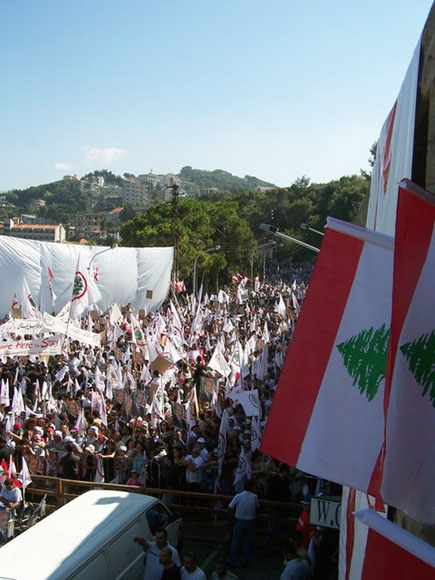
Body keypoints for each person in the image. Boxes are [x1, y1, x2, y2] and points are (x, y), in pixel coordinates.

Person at [228, 478, 259, 568]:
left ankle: (232, 561)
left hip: (239, 520)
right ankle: (244, 561)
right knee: (247, 542)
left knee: (235, 541)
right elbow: (257, 506)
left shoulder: (238, 496)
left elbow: (230, 508)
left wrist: (232, 519)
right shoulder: (254, 497)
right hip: (250, 520)